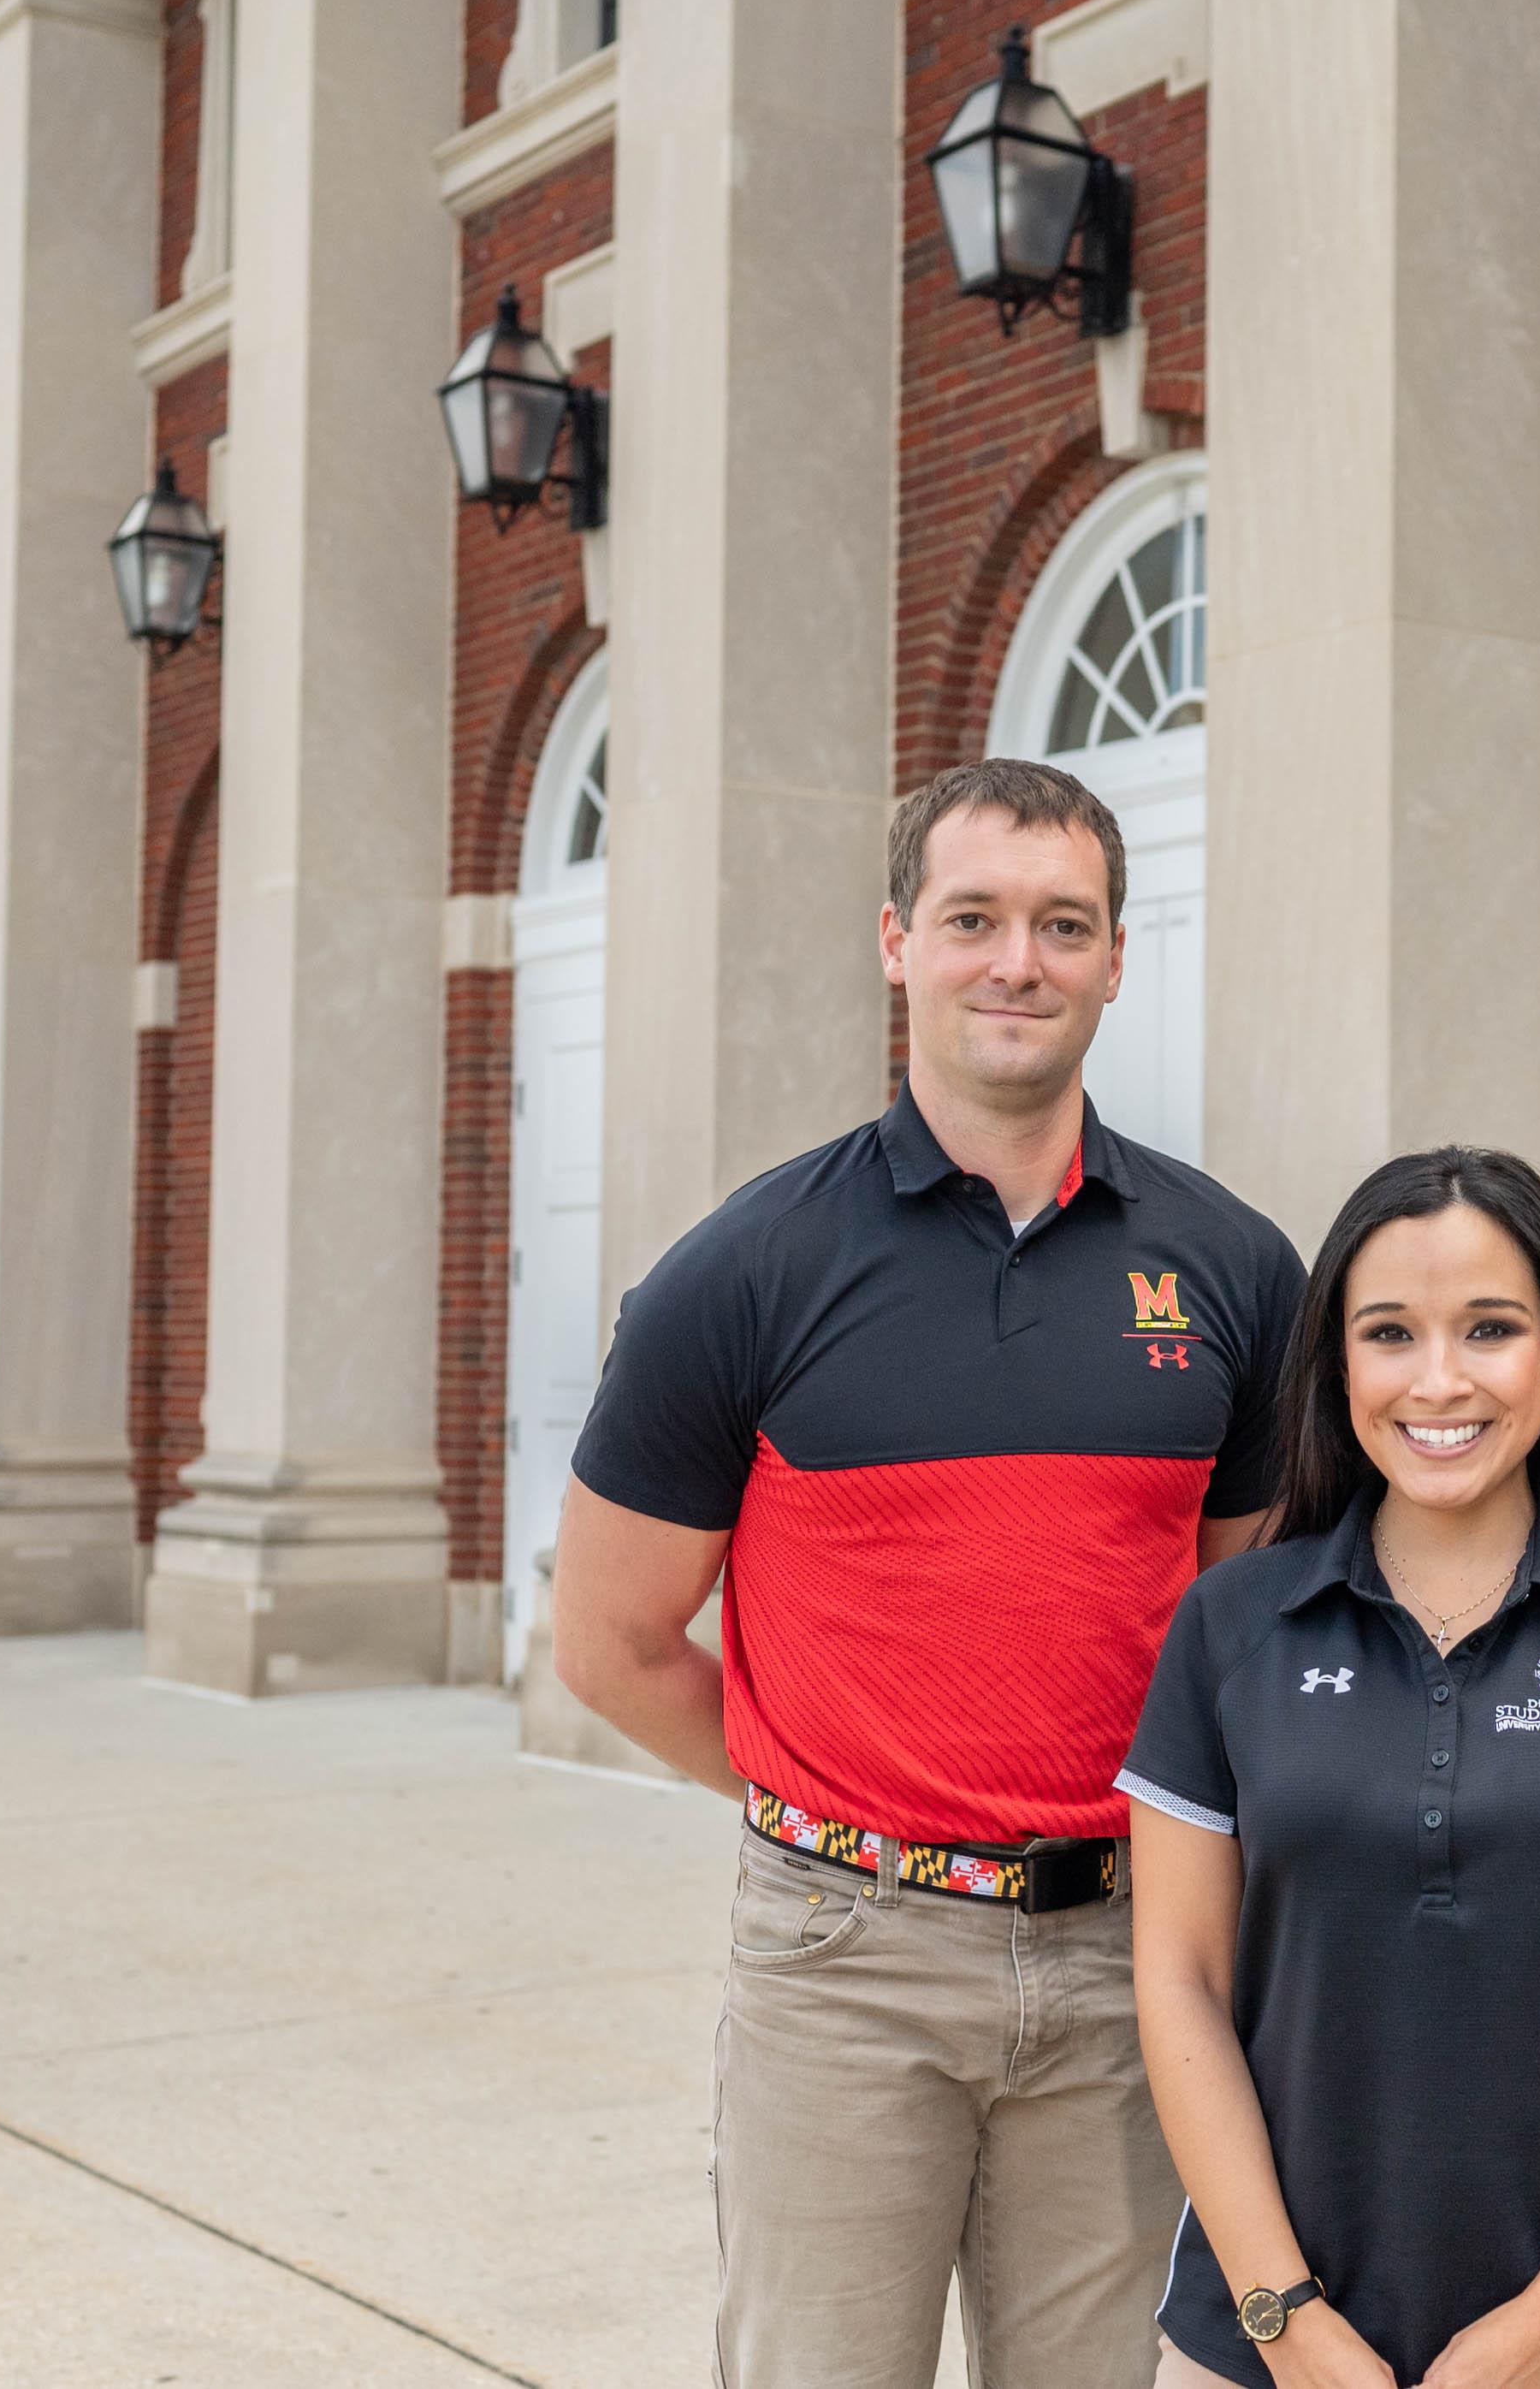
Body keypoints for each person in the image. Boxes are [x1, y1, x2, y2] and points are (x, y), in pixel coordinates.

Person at [552, 757, 1306, 2389]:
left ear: (1116, 957)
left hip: (1126, 1967)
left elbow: (1231, 1631)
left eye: (1060, 924)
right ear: (897, 942)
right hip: (844, 1970)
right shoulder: (743, 1273)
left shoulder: (1233, 1270)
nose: (1015, 961)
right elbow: (612, 1643)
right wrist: (834, 1810)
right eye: (973, 919)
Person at [1118, 1149, 1540, 2389]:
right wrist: (1285, 2319)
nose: (1439, 1380)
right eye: (1390, 1333)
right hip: (1266, 2343)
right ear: (1338, 1365)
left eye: (1490, 1328)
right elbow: (1179, 1983)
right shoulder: (1231, 1625)